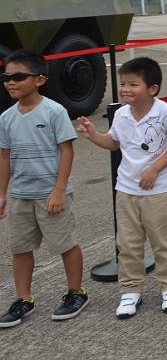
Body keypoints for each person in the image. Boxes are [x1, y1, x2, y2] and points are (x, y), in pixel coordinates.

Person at [76, 57, 167, 318]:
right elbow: (114, 143)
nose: (125, 89)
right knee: (127, 244)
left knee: (162, 242)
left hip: (159, 191)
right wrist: (94, 135)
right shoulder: (121, 114)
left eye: (133, 84)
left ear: (153, 88)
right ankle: (130, 290)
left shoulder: (165, 112)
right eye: (123, 83)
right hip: (126, 190)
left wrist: (154, 169)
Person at [0, 50, 87, 328]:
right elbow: (4, 156)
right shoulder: (6, 117)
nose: (10, 82)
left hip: (50, 193)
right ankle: (23, 298)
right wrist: (2, 194)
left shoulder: (54, 111)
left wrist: (59, 190)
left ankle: (76, 292)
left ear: (39, 80)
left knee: (65, 244)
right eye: (6, 77)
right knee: (20, 248)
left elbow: (66, 151)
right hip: (20, 194)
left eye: (18, 77)